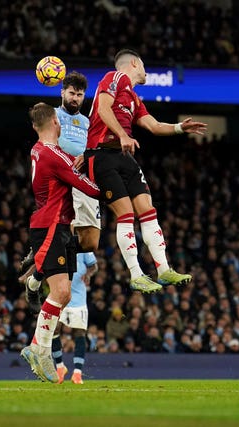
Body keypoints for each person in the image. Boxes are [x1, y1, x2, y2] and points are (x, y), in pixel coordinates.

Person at [84, 48, 207, 293]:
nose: (145, 70)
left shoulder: (134, 98)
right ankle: (136, 274)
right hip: (101, 154)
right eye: (143, 65)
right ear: (135, 63)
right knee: (126, 213)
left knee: (148, 210)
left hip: (124, 154)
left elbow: (153, 125)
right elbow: (102, 110)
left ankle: (163, 269)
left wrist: (180, 128)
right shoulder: (114, 77)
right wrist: (121, 135)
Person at [20, 102, 102, 383]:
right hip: (51, 226)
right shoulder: (54, 155)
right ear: (56, 121)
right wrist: (113, 188)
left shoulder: (38, 150)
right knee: (62, 292)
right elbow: (87, 187)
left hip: (59, 225)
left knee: (64, 294)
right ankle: (37, 349)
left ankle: (35, 281)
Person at [20, 71, 101, 314]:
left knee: (90, 243)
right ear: (62, 92)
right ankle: (42, 256)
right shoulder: (54, 116)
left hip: (84, 176)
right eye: (71, 93)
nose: (75, 98)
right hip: (64, 178)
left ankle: (36, 271)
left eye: (79, 94)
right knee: (63, 236)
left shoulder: (88, 122)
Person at [52, 251, 97, 384]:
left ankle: (77, 373)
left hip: (78, 298)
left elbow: (94, 265)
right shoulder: (58, 245)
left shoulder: (83, 248)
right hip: (59, 296)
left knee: (79, 333)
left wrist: (88, 274)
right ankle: (60, 367)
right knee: (54, 329)